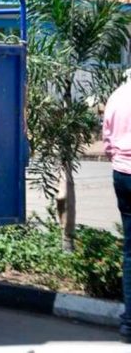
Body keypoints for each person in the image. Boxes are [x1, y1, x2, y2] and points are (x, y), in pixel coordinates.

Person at [103, 76, 131, 344]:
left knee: (130, 251)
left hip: (121, 174)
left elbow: (107, 140)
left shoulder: (118, 95)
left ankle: (129, 325)